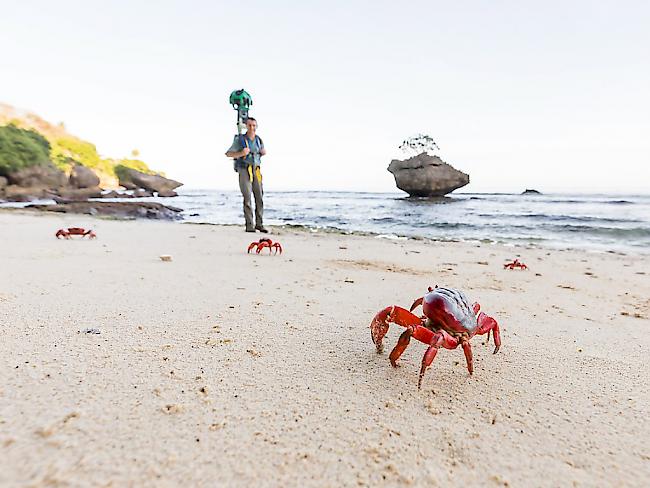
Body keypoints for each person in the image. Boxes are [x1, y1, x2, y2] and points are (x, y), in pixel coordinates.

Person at [225, 117, 268, 232]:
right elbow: (228, 154)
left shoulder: (259, 140)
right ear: (246, 126)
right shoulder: (240, 140)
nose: (252, 128)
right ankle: (249, 225)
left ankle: (260, 223)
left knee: (259, 197)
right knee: (247, 197)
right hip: (244, 169)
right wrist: (241, 153)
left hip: (256, 170)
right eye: (249, 125)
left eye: (254, 125)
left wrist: (263, 153)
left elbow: (261, 151)